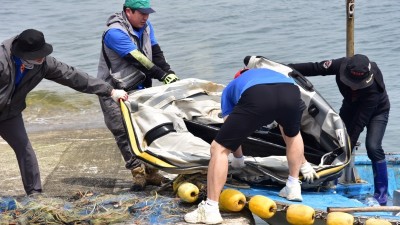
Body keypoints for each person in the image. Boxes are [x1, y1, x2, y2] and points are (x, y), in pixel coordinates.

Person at [0, 29, 128, 196]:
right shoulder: (2, 61)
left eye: (42, 53)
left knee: (25, 149)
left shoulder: (43, 63)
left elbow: (72, 76)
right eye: (37, 54)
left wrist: (110, 91)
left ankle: (34, 193)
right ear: (22, 53)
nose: (41, 57)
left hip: (10, 114)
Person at [184, 68, 319, 224]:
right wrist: (305, 164)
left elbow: (231, 134)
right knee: (292, 135)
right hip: (291, 91)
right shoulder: (267, 72)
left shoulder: (231, 87)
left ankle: (210, 208)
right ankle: (293, 186)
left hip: (258, 95)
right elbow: (291, 133)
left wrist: (238, 158)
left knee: (218, 148)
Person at [97, 0, 179, 190]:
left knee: (148, 127)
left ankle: (151, 173)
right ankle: (138, 173)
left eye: (147, 13)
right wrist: (162, 76)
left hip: (140, 85)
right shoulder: (114, 33)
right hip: (114, 89)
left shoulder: (146, 25)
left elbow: (156, 52)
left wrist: (169, 71)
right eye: (141, 13)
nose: (145, 17)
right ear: (128, 11)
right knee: (122, 131)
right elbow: (139, 60)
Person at [288, 54, 390, 206]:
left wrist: (347, 147)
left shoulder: (373, 88)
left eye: (358, 83)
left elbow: (359, 123)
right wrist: (287, 68)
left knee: (373, 147)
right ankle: (331, 181)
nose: (354, 86)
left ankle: (381, 194)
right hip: (350, 106)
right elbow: (315, 67)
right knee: (335, 142)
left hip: (377, 112)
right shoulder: (341, 64)